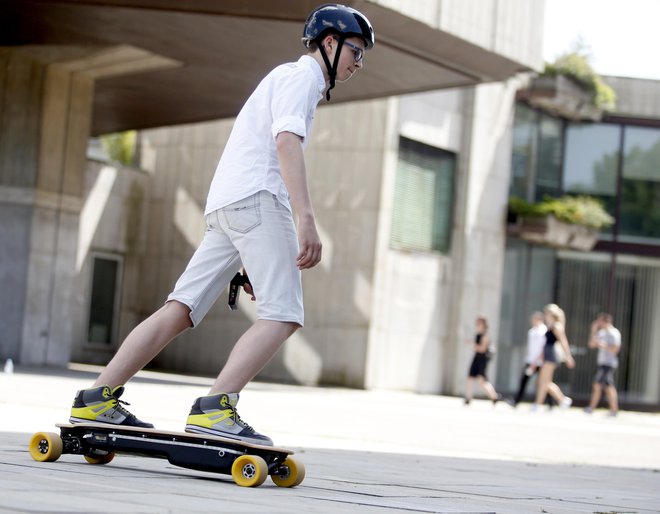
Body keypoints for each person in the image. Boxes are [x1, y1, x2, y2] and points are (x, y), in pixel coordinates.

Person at [68, 4, 375, 446]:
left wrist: (253, 251)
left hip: (228, 206)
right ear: (330, 42)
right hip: (256, 201)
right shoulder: (303, 78)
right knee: (283, 312)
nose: (358, 63)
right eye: (355, 51)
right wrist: (306, 218)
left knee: (181, 308)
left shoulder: (284, 77)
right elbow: (286, 143)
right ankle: (216, 408)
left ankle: (96, 397)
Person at [530, 303, 575, 411]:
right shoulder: (550, 326)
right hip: (547, 354)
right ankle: (562, 400)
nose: (545, 315)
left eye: (546, 313)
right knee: (544, 381)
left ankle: (539, 404)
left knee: (543, 381)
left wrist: (568, 356)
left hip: (552, 355)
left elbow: (563, 341)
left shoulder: (556, 326)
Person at [584, 313, 622, 416]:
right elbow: (591, 344)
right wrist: (593, 330)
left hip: (609, 363)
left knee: (597, 384)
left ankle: (591, 407)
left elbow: (616, 349)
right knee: (609, 387)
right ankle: (614, 410)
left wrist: (603, 345)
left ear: (607, 322)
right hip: (602, 363)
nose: (599, 323)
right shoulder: (602, 333)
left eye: (601, 321)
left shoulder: (614, 333)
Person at [508, 311, 548, 407]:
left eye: (534, 319)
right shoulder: (532, 331)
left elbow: (543, 348)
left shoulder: (543, 331)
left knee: (543, 382)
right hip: (530, 360)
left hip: (539, 362)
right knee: (524, 380)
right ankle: (517, 401)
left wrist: (536, 361)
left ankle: (550, 403)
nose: (532, 321)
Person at [464, 316, 501, 405]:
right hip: (476, 358)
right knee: (470, 377)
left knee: (482, 380)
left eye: (479, 323)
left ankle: (494, 396)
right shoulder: (478, 334)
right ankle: (468, 398)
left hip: (482, 359)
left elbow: (482, 349)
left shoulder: (485, 336)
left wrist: (472, 344)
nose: (477, 325)